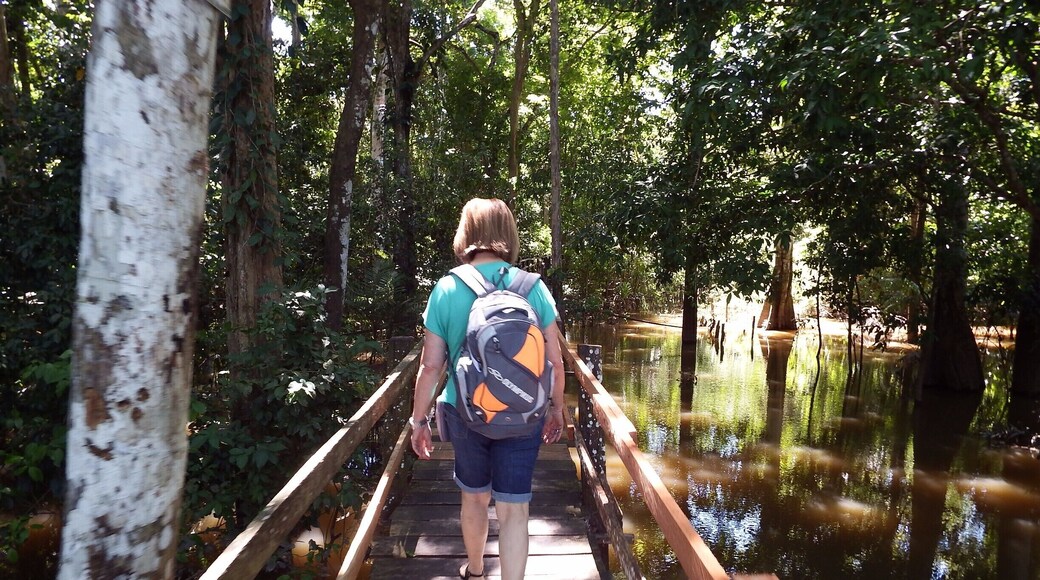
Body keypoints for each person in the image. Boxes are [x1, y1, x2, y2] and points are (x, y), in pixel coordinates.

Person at [408, 197, 566, 580]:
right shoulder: (534, 287)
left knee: (474, 497)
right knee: (515, 508)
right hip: (524, 412)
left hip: (465, 411)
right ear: (507, 234)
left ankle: (476, 570)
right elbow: (555, 360)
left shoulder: (446, 288)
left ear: (466, 235)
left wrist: (418, 420)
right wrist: (557, 408)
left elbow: (431, 365)